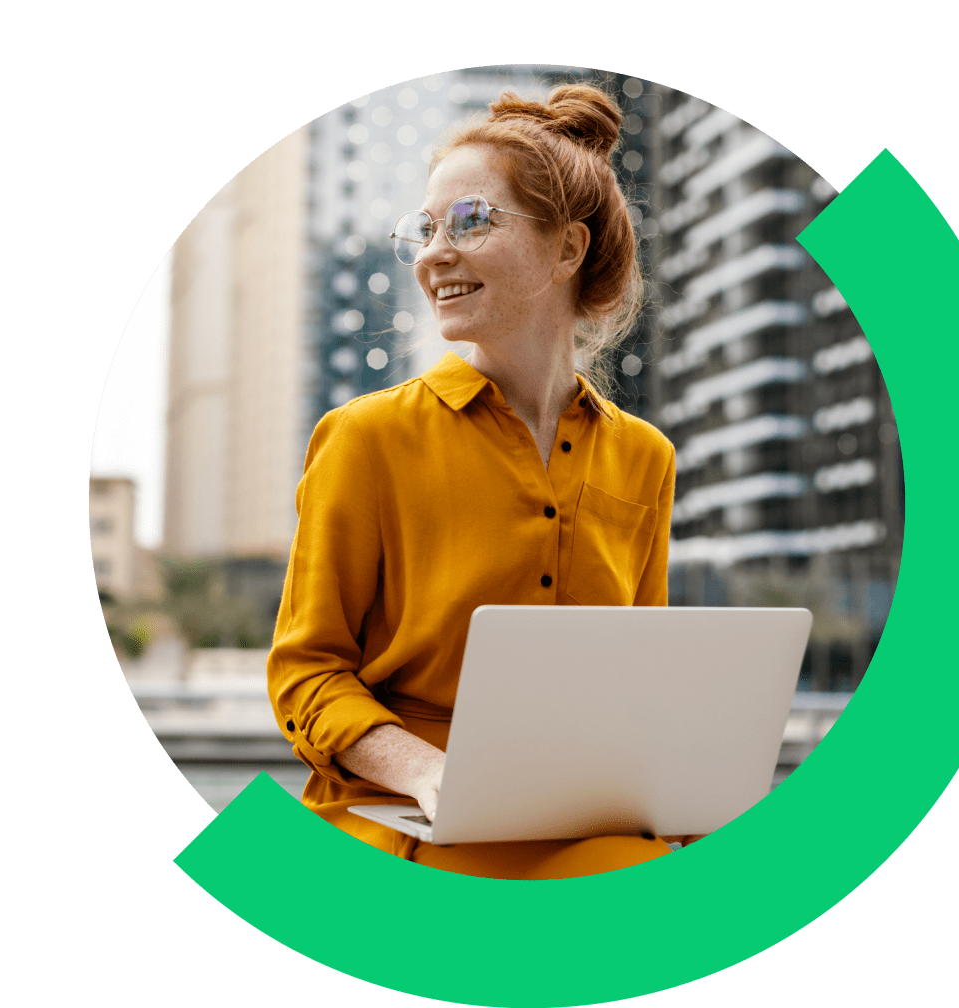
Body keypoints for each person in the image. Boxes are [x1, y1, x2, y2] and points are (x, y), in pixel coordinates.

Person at [267, 84, 683, 880]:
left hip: (578, 810)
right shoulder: (367, 438)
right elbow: (306, 674)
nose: (433, 253)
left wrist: (673, 791)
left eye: (470, 222)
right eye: (425, 229)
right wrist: (432, 776)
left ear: (567, 250)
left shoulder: (645, 458)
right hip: (400, 811)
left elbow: (639, 679)